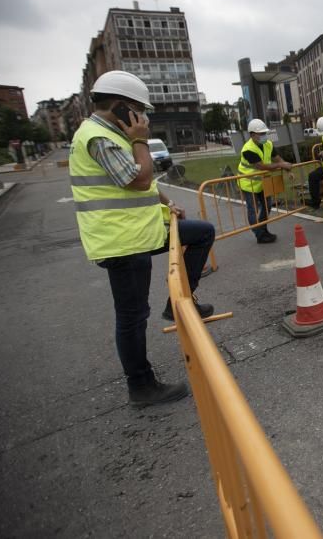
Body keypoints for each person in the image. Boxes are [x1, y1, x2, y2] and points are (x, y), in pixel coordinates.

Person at [69, 70, 216, 408]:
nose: (144, 117)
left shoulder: (111, 133)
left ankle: (179, 304)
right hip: (121, 242)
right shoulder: (98, 137)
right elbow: (137, 180)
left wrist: (168, 204)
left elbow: (146, 185)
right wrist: (139, 139)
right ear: (122, 108)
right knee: (133, 315)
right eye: (139, 109)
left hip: (141, 231)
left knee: (203, 232)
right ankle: (141, 385)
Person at [237, 119, 293, 243]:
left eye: (264, 133)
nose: (264, 136)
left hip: (263, 182)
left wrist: (288, 170)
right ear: (251, 134)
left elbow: (278, 159)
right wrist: (282, 166)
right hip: (248, 183)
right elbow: (261, 166)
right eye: (260, 133)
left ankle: (263, 230)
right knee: (253, 210)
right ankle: (259, 235)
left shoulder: (268, 144)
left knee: (267, 206)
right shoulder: (248, 149)